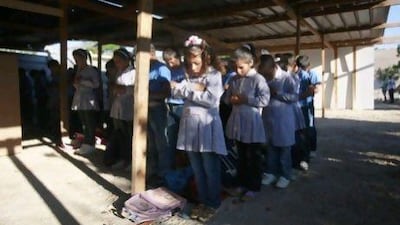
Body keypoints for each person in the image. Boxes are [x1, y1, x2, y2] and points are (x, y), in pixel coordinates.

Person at [170, 35, 227, 222]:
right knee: (197, 167)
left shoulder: (214, 75)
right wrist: (196, 88)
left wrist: (187, 89)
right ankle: (203, 201)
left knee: (210, 167)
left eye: (196, 63)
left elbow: (211, 99)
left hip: (206, 126)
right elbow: (174, 91)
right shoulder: (191, 75)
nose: (192, 67)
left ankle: (214, 203)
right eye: (189, 63)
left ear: (206, 58)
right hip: (190, 127)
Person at [223, 44, 270, 199]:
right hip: (238, 120)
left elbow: (264, 99)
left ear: (250, 63)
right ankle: (241, 183)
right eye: (235, 67)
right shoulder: (235, 79)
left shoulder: (258, 79)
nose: (238, 71)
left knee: (253, 156)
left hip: (252, 121)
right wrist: (231, 99)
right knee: (241, 155)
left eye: (241, 67)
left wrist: (246, 99)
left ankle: (254, 186)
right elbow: (226, 98)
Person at [259, 54, 297, 189]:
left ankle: (285, 175)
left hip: (283, 118)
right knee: (270, 146)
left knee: (284, 148)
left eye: (267, 73)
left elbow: (294, 97)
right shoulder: (263, 79)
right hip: (268, 117)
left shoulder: (287, 78)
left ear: (273, 67)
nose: (265, 76)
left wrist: (278, 93)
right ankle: (270, 172)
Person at [146, 44, 172, 188]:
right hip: (147, 110)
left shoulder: (161, 69)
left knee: (161, 143)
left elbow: (166, 92)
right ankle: (153, 172)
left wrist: (148, 96)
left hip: (157, 109)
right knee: (151, 143)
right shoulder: (146, 68)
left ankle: (163, 175)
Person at [105, 48, 135, 169]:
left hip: (128, 108)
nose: (117, 63)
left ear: (126, 60)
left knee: (129, 136)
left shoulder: (133, 72)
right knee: (120, 135)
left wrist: (123, 89)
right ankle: (122, 158)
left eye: (119, 61)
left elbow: (135, 89)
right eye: (115, 61)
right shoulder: (118, 72)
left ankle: (131, 160)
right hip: (117, 107)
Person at [71, 48, 100, 155]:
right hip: (79, 98)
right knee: (83, 122)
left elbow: (96, 84)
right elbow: (75, 84)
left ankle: (90, 143)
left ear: (84, 58)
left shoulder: (91, 70)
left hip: (88, 98)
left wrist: (83, 81)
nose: (76, 61)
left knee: (89, 122)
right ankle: (86, 142)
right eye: (75, 59)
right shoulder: (78, 69)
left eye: (78, 58)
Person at [163, 47, 186, 168]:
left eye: (171, 61)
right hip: (170, 105)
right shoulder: (168, 71)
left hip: (182, 106)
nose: (169, 64)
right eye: (167, 62)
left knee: (183, 139)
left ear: (178, 58)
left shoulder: (185, 70)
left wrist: (176, 85)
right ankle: (169, 169)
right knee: (170, 138)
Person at [297, 55, 321, 158]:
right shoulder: (296, 75)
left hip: (307, 104)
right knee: (301, 129)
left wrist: (308, 91)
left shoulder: (312, 74)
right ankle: (302, 150)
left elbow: (317, 88)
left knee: (310, 127)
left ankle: (312, 148)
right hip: (299, 105)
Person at [46, 59, 64, 148]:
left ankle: (60, 137)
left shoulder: (62, 75)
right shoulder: (53, 75)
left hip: (60, 100)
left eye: (52, 68)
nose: (51, 70)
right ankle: (56, 136)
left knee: (59, 120)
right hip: (54, 99)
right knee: (54, 119)